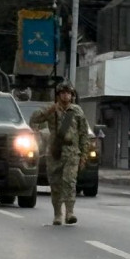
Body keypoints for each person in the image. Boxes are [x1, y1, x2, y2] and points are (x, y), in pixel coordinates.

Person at [30, 81, 91, 226]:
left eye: (68, 93)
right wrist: (50, 110)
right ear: (58, 95)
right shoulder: (51, 110)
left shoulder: (77, 111)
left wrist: (84, 155)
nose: (65, 96)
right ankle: (58, 214)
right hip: (55, 153)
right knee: (56, 184)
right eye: (63, 93)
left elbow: (83, 134)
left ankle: (70, 212)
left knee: (69, 181)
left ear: (72, 96)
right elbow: (34, 119)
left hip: (72, 153)